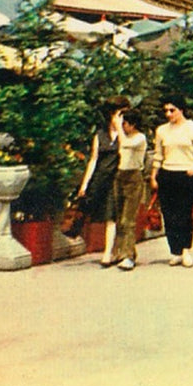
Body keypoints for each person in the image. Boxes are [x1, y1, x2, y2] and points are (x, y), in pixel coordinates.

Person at [150, 95, 193, 268]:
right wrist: (154, 176)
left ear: (181, 110)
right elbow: (158, 155)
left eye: (172, 110)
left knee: (184, 213)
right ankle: (175, 250)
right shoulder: (162, 130)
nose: (169, 114)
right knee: (169, 214)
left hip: (186, 174)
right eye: (166, 111)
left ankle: (185, 249)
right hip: (167, 174)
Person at [77, 96, 129, 265]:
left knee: (112, 215)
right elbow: (94, 160)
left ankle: (109, 252)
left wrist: (120, 129)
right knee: (107, 215)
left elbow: (126, 150)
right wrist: (85, 183)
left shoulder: (128, 134)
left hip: (118, 178)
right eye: (118, 114)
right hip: (102, 178)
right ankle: (112, 250)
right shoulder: (100, 135)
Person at [109, 109, 149, 271]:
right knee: (119, 218)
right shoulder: (122, 136)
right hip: (120, 175)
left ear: (132, 124)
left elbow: (126, 144)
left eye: (124, 123)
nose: (122, 126)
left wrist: (118, 127)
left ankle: (128, 256)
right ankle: (121, 251)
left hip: (133, 177)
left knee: (128, 219)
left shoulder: (140, 138)